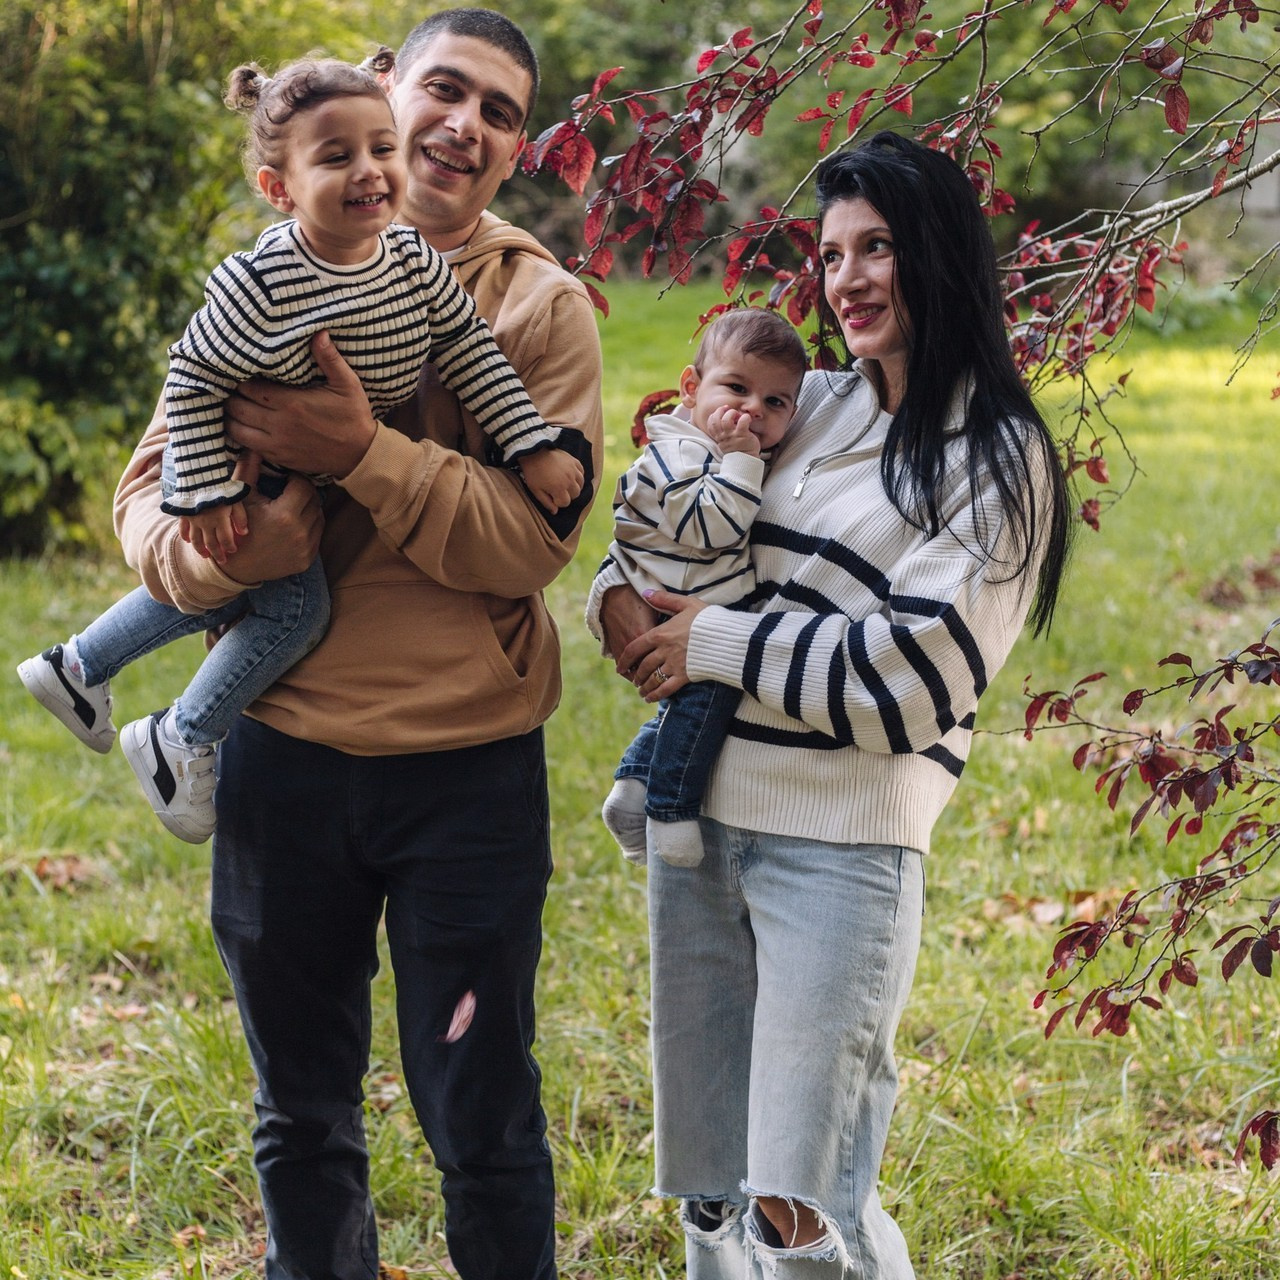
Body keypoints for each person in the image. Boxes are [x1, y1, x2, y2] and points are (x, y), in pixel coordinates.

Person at [113, 9, 603, 1278]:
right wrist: (229, 558)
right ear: (385, 86)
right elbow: (150, 496)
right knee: (301, 1110)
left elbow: (532, 542)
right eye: (446, 88)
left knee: (483, 1114)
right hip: (282, 757)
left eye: (500, 112)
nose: (465, 124)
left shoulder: (540, 308)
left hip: (466, 770)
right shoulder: (267, 278)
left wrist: (363, 453)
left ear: (517, 149)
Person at [591, 130, 1072, 1277]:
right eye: (831, 252)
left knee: (799, 1207)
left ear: (939, 255)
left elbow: (908, 682)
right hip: (702, 822)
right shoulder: (802, 402)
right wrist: (616, 596)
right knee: (711, 1190)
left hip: (838, 851)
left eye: (877, 248)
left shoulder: (996, 457)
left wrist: (707, 641)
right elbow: (674, 516)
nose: (845, 278)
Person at [17, 49, 582, 847]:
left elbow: (470, 353)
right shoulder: (261, 280)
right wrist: (208, 496)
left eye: (378, 150)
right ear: (279, 188)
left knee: (256, 595)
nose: (370, 169)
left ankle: (81, 667)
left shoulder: (426, 267)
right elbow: (193, 379)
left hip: (464, 735)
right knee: (293, 607)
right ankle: (178, 732)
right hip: (243, 472)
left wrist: (528, 445)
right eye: (337, 156)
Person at [596, 308, 806, 868]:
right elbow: (711, 528)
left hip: (692, 595)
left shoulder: (715, 449)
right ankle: (668, 806)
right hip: (671, 603)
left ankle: (633, 784)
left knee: (690, 705)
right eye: (736, 388)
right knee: (706, 700)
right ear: (691, 388)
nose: (752, 410)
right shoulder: (678, 454)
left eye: (775, 402)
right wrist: (742, 461)